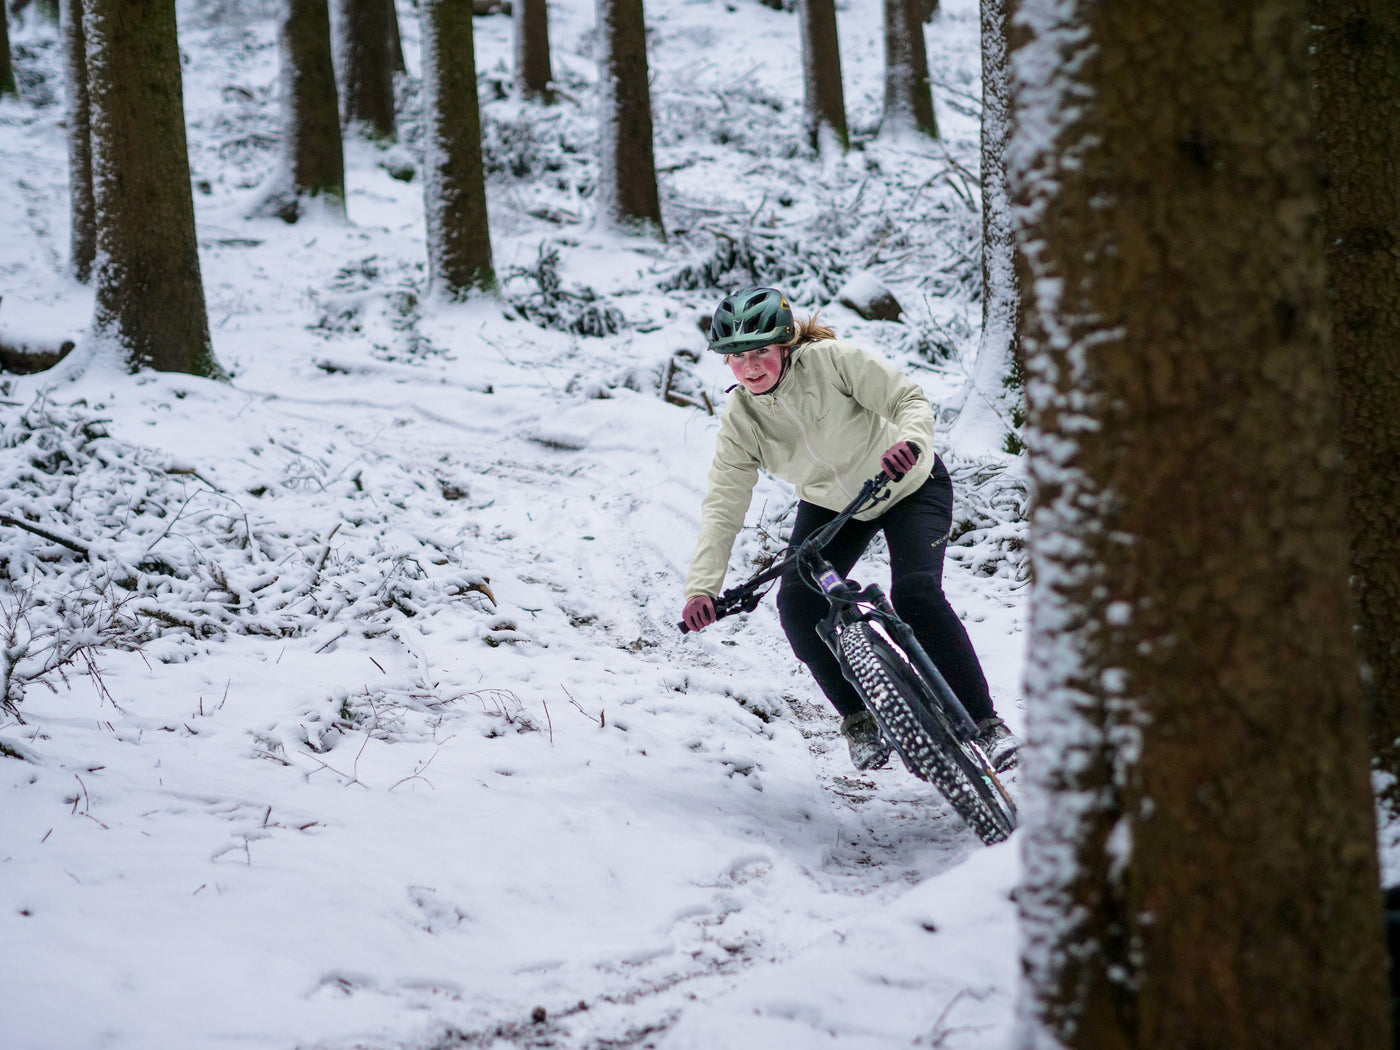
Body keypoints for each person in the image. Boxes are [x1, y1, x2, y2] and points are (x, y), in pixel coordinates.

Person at [680, 286, 1021, 773]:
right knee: (798, 606)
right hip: (835, 508)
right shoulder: (742, 420)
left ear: (785, 345)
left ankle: (987, 725)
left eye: (761, 351)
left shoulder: (831, 362)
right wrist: (701, 589)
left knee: (917, 595)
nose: (751, 367)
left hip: (908, 484)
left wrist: (910, 442)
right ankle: (859, 721)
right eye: (737, 357)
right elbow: (723, 505)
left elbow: (907, 398)